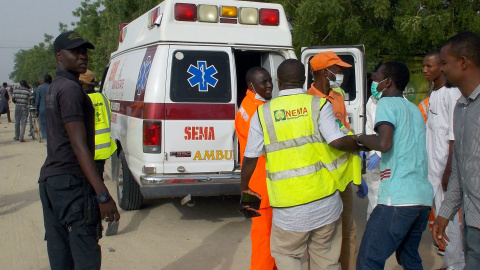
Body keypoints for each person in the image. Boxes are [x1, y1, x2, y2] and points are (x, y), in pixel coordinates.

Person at [241, 59, 361, 270]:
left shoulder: (262, 114)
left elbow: (250, 157)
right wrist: (363, 142)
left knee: (287, 255)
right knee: (326, 258)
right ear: (304, 80)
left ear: (278, 82)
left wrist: (244, 189)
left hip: (288, 209)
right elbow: (336, 141)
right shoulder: (319, 105)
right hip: (325, 202)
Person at [38, 31, 120, 270]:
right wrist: (102, 194)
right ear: (59, 56)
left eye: (84, 51)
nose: (82, 56)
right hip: (71, 183)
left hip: (51, 182)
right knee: (85, 253)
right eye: (75, 51)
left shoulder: (56, 87)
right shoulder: (72, 90)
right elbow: (78, 144)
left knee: (61, 254)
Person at [356, 62, 434, 269]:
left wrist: (362, 139)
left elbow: (384, 143)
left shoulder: (386, 104)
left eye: (377, 76)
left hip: (398, 198)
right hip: (422, 199)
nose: (373, 78)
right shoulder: (413, 109)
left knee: (368, 259)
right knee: (409, 258)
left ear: (388, 81)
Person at [432, 31, 480, 270]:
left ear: (463, 62)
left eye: (444, 63)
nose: (442, 69)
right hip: (472, 225)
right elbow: (462, 170)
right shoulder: (461, 107)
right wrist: (445, 213)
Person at [306, 51, 357, 270]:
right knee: (322, 236)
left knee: (348, 231)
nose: (341, 73)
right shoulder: (308, 100)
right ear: (325, 72)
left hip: (342, 175)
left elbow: (343, 129)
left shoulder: (337, 96)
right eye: (337, 69)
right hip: (321, 178)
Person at [422, 49, 464, 269]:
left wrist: (449, 170)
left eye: (430, 66)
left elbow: (454, 136)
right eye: (424, 66)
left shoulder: (451, 94)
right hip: (434, 171)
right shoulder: (435, 95)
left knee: (451, 220)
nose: (425, 70)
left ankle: (456, 263)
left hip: (446, 171)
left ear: (442, 66)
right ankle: (451, 260)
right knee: (442, 218)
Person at [235, 67, 276, 270]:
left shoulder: (251, 104)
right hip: (261, 187)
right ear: (252, 86)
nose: (269, 85)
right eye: (264, 82)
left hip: (260, 183)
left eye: (270, 81)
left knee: (268, 242)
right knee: (265, 244)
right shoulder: (253, 111)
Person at [36, 75, 52, 139]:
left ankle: (45, 138)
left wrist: (37, 109)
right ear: (51, 80)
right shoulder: (53, 87)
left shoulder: (40, 88)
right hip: (52, 108)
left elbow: (38, 100)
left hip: (42, 108)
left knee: (43, 124)